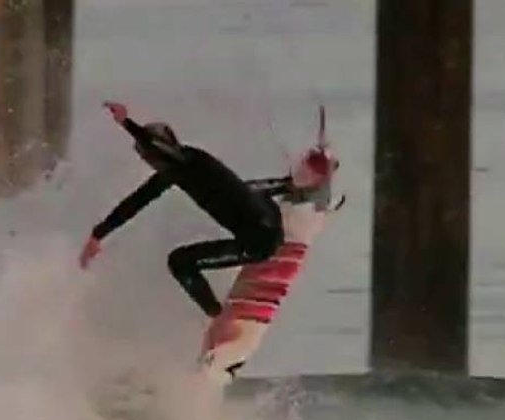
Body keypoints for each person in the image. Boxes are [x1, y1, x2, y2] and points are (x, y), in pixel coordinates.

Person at [79, 101, 331, 319]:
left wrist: (127, 123)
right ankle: (295, 187)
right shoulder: (192, 161)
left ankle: (216, 315)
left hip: (259, 242)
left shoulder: (182, 164)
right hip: (269, 216)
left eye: (147, 155)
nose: (148, 160)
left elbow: (148, 173)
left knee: (179, 262)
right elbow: (136, 201)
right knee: (243, 189)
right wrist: (98, 234)